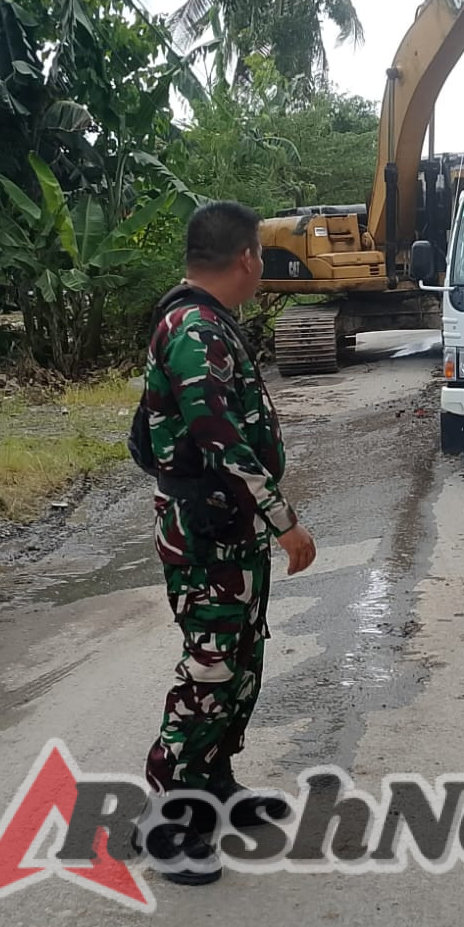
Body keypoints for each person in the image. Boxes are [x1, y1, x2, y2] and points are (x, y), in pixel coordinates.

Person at [130, 200, 318, 885]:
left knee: (239, 661)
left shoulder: (213, 324)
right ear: (246, 258)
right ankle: (164, 816)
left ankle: (213, 785)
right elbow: (218, 436)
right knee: (209, 671)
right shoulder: (192, 329)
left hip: (229, 530)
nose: (261, 267)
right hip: (206, 534)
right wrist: (282, 518)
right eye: (261, 256)